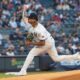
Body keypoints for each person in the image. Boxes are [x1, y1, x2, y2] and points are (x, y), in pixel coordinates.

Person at [5, 5, 80, 76]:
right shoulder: (30, 23)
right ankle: (75, 56)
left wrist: (31, 42)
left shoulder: (40, 30)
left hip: (47, 42)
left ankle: (23, 71)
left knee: (32, 53)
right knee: (56, 58)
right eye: (29, 18)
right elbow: (24, 17)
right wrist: (24, 9)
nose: (29, 19)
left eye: (30, 18)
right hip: (49, 40)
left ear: (34, 20)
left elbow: (42, 43)